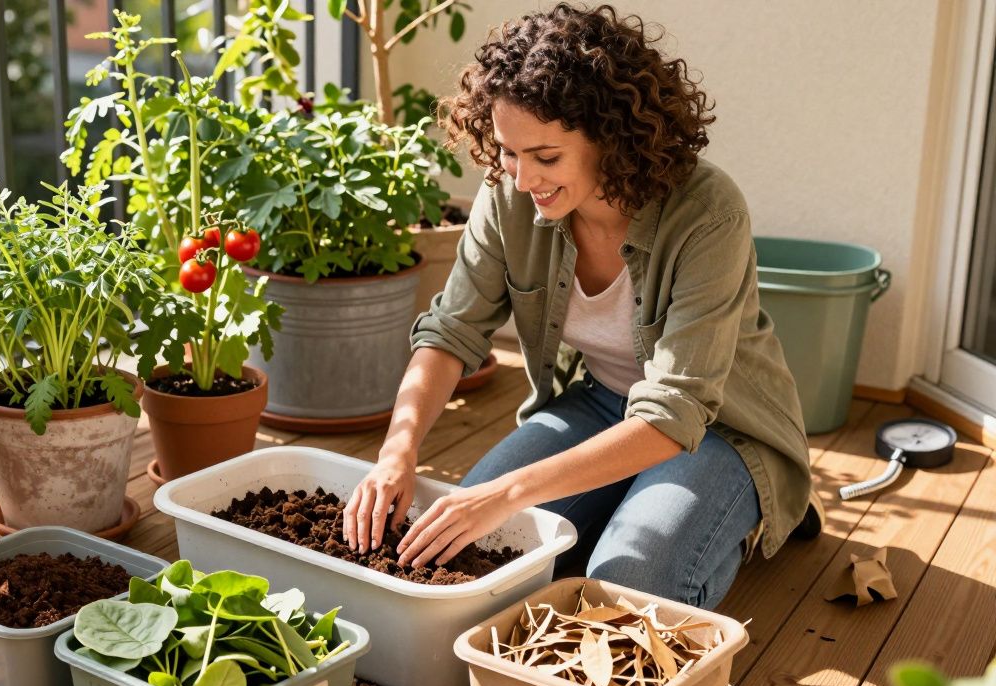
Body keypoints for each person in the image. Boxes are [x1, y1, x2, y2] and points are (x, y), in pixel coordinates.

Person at [341, 3, 818, 610]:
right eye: (509, 152)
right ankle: (626, 496)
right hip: (600, 402)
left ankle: (748, 512)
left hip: (723, 430)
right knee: (468, 549)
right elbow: (452, 330)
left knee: (629, 582)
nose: (520, 179)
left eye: (545, 157)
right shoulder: (509, 194)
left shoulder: (707, 211)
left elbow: (677, 410)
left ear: (611, 138)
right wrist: (395, 455)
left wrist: (509, 494)